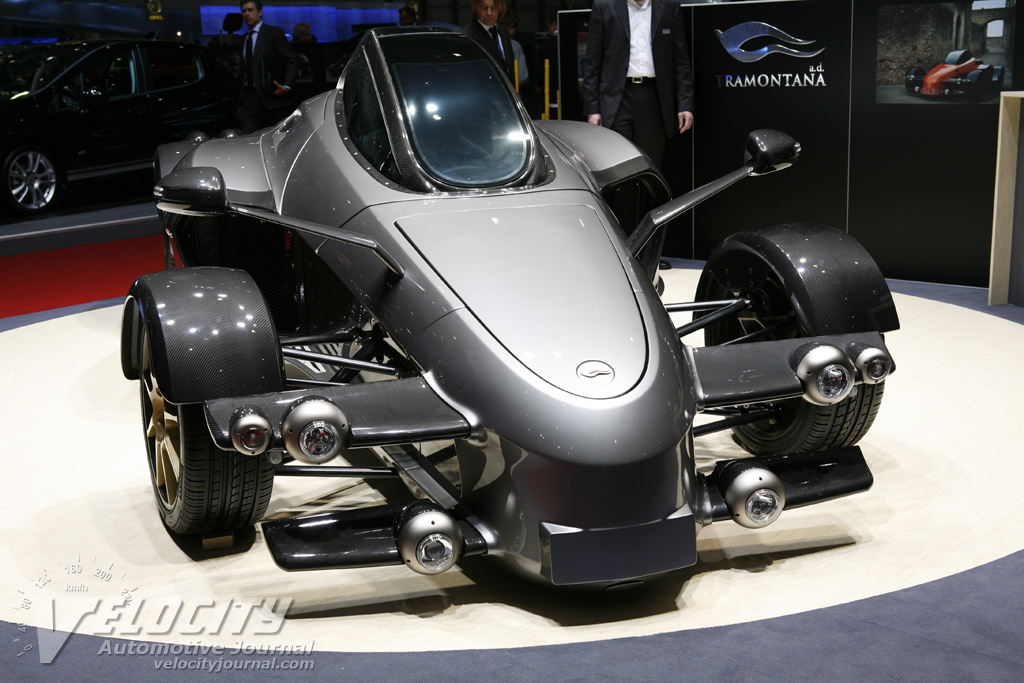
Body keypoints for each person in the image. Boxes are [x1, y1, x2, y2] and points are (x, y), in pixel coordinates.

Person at [582, 0, 694, 169]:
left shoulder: (668, 6)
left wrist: (685, 103)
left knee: (650, 163)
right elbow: (592, 62)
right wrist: (593, 110)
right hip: (615, 100)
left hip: (654, 97)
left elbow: (680, 60)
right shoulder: (604, 6)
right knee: (617, 163)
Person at [237, 0, 299, 134]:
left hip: (272, 95)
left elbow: (291, 59)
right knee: (247, 136)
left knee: (278, 136)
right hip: (249, 96)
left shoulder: (273, 33)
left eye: (250, 10)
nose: (247, 14)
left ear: (259, 12)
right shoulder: (243, 39)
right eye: (244, 11)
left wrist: (288, 86)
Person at [461, 0, 515, 82]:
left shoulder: (503, 32)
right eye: (484, 8)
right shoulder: (467, 35)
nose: (489, 13)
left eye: (493, 8)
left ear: (500, 9)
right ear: (476, 8)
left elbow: (508, 68)